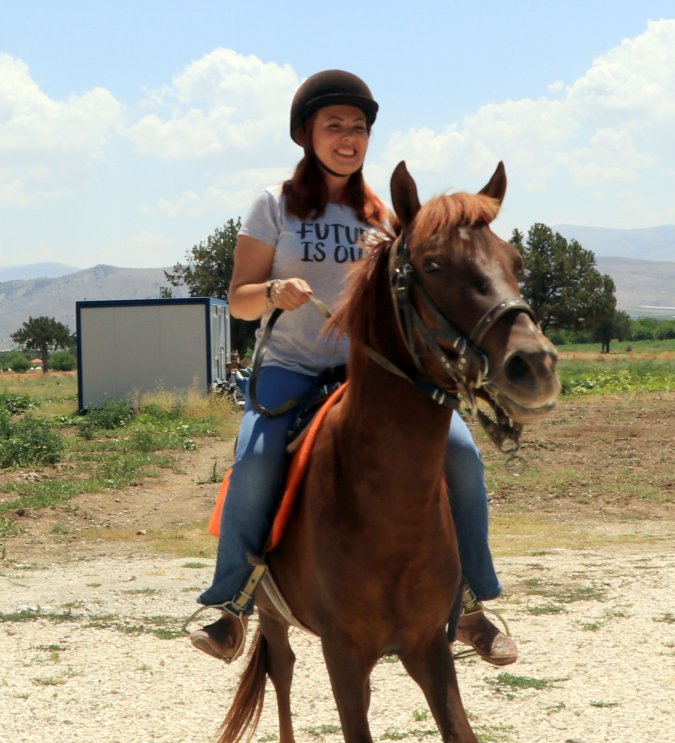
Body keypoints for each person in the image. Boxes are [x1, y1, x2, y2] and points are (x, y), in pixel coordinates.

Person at [190, 69, 517, 666]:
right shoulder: (273, 205)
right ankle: (230, 604)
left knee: (463, 454)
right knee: (256, 460)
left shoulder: (384, 217)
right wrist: (270, 292)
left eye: (359, 128)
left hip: (368, 377)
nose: (348, 137)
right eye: (334, 126)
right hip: (291, 370)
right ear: (305, 134)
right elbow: (237, 298)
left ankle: (473, 601)